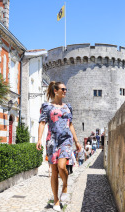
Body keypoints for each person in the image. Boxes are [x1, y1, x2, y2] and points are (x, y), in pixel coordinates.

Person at [37, 81, 82, 212]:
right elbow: (42, 123)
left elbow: (71, 124)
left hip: (66, 140)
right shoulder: (47, 107)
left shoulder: (68, 107)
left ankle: (65, 186)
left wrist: (77, 141)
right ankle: (56, 200)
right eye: (63, 89)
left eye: (66, 89)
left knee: (62, 166)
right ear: (55, 91)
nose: (65, 91)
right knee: (54, 171)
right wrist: (39, 139)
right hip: (52, 141)